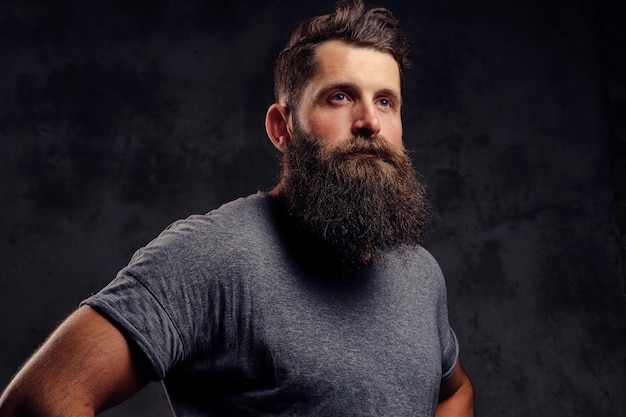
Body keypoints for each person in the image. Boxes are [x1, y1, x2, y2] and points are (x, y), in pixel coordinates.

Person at [0, 0, 474, 416]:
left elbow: (455, 394)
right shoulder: (215, 256)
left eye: (386, 102)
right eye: (340, 96)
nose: (369, 120)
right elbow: (40, 399)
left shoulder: (421, 275)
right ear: (282, 128)